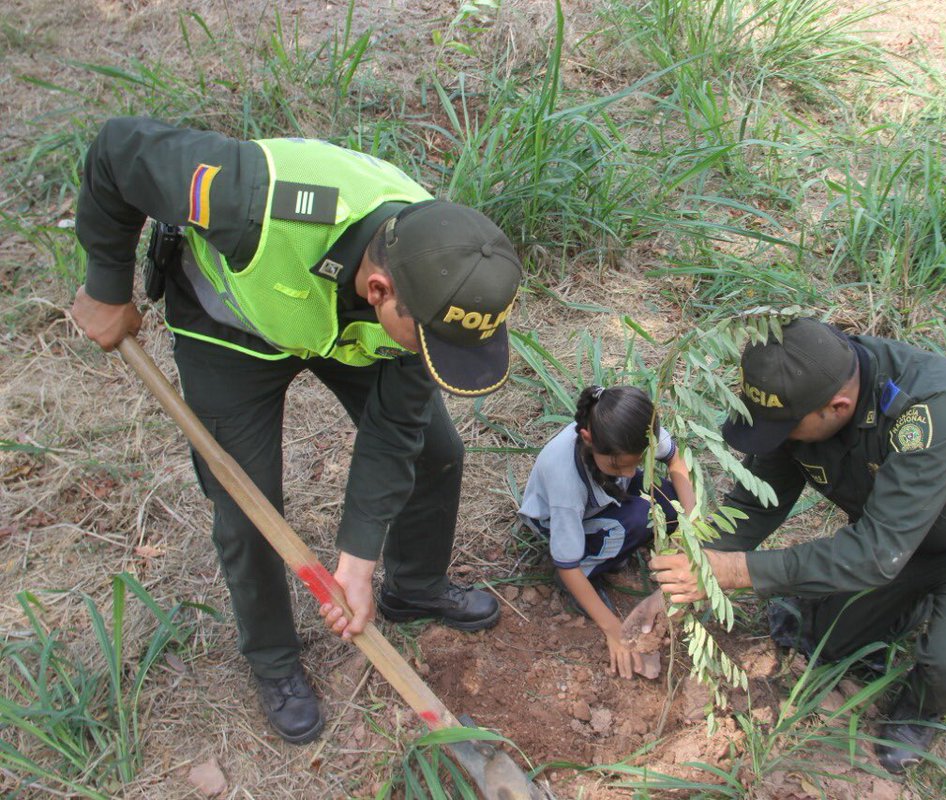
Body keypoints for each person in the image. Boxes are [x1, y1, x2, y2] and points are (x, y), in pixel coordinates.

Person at [69, 117, 522, 744]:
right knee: (247, 503)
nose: (434, 356)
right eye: (429, 342)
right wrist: (106, 285)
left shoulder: (444, 277)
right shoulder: (251, 200)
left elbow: (394, 433)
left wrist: (356, 563)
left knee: (433, 450)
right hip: (231, 325)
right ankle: (273, 659)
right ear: (381, 290)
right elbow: (120, 150)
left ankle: (414, 589)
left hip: (345, 332)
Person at [649, 317, 946, 773]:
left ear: (838, 407)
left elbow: (874, 554)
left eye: (783, 430)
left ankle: (922, 705)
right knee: (823, 638)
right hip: (896, 535)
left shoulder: (937, 408)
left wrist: (737, 572)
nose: (776, 439)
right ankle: (908, 604)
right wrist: (684, 576)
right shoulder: (803, 386)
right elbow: (757, 503)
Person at [519, 385, 696, 679]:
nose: (629, 473)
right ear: (587, 438)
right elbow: (567, 565)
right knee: (640, 517)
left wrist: (692, 525)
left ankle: (619, 533)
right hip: (561, 520)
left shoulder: (635, 426)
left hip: (604, 493)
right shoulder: (565, 478)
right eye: (618, 464)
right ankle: (591, 568)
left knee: (672, 501)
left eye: (637, 462)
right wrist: (614, 629)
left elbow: (675, 460)